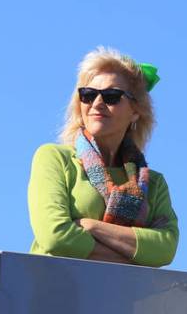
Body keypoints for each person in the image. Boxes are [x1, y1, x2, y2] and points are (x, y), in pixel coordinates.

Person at [28, 47, 178, 266]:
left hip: (122, 298)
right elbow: (56, 236)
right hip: (51, 291)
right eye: (88, 95)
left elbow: (165, 249)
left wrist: (90, 225)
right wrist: (136, 256)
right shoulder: (55, 159)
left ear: (136, 111)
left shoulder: (154, 184)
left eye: (111, 96)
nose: (97, 103)